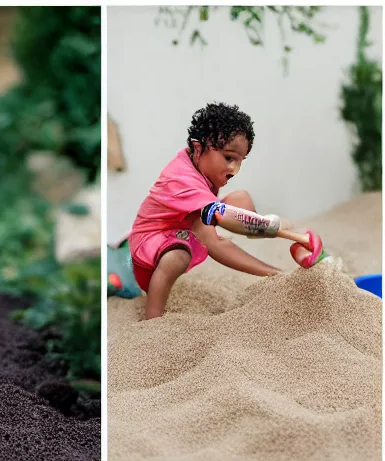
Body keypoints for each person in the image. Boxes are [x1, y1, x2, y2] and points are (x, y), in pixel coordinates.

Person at [127, 102, 318, 319]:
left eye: (240, 161)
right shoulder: (182, 180)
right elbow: (216, 240)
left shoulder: (197, 163)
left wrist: (261, 225)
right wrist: (274, 270)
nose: (234, 169)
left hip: (181, 226)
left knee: (241, 199)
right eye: (228, 158)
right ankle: (153, 320)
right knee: (178, 256)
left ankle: (254, 230)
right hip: (149, 249)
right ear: (198, 148)